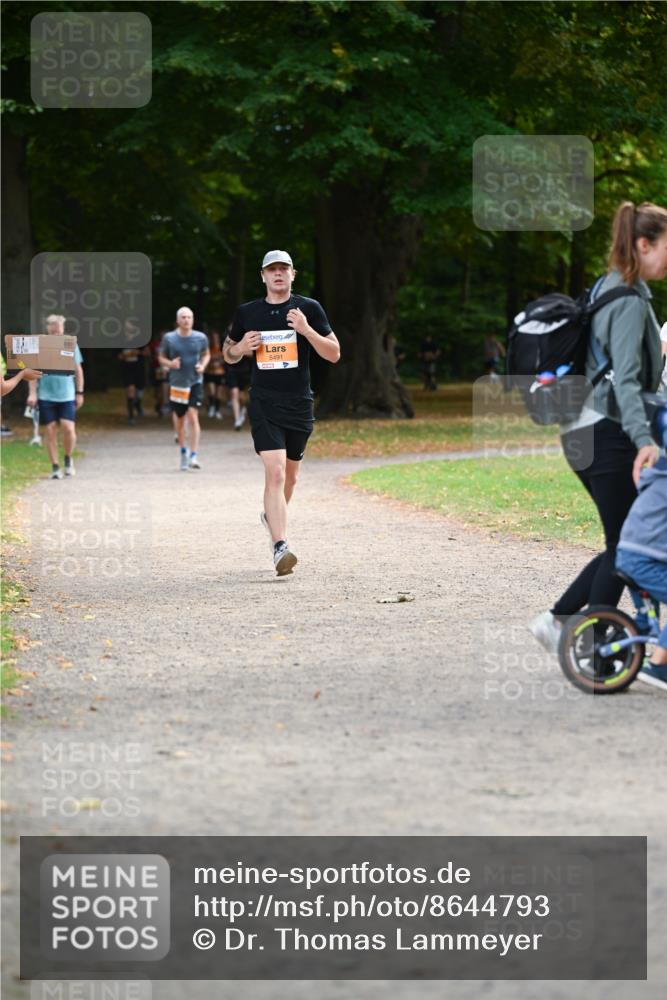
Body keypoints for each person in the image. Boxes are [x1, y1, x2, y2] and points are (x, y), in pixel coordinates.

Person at [530, 201, 667, 652]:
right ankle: (582, 638)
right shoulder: (626, 300)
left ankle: (570, 628)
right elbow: (626, 382)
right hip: (606, 434)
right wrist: (645, 440)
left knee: (622, 543)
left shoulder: (607, 288)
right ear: (644, 244)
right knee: (626, 548)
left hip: (583, 432)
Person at [223, 249, 340, 575]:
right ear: (262, 275)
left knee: (290, 477)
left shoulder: (309, 309)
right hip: (264, 402)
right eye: (271, 269)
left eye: (283, 269)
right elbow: (227, 353)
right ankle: (280, 546)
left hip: (299, 402)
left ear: (292, 274)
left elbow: (334, 354)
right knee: (274, 472)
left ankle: (270, 516)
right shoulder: (248, 312)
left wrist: (306, 330)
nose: (277, 274)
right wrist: (240, 349)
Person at [616, 405, 667, 689]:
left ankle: (637, 641)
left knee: (647, 621)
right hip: (643, 561)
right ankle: (659, 666)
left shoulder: (658, 472)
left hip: (631, 555)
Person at [26, 314, 84, 480]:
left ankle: (67, 457)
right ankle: (55, 466)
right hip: (46, 395)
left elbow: (78, 370)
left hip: (66, 395)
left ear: (63, 329)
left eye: (58, 330)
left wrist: (79, 392)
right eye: (53, 330)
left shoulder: (70, 345)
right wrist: (32, 393)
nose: (55, 333)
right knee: (50, 430)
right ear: (48, 329)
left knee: (68, 428)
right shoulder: (40, 347)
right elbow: (32, 372)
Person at [158, 307, 210, 471]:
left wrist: (203, 365)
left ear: (193, 319)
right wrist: (170, 364)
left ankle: (194, 455)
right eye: (183, 317)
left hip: (195, 382)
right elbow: (161, 357)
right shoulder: (169, 338)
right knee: (180, 420)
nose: (186, 320)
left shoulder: (201, 337)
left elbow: (206, 354)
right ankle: (183, 452)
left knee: (193, 416)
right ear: (178, 320)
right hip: (177, 383)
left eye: (189, 317)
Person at [118, 334, 148, 426]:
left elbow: (147, 353)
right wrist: (123, 356)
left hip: (139, 370)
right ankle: (131, 417)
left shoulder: (140, 339)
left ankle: (138, 404)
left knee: (139, 393)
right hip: (127, 370)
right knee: (130, 392)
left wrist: (138, 352)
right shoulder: (120, 341)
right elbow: (118, 356)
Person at [204, 331, 226, 419]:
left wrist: (220, 362)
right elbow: (205, 358)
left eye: (216, 337)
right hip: (210, 373)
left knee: (218, 394)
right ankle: (211, 407)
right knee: (212, 392)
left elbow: (226, 358)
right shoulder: (208, 348)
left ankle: (217, 410)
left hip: (220, 373)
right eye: (213, 338)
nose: (214, 339)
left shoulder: (222, 348)